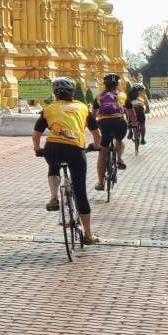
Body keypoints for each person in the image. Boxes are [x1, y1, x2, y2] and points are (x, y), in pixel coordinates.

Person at [33, 76, 102, 244]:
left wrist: (38, 149)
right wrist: (96, 146)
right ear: (73, 92)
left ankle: (53, 197)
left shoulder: (48, 109)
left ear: (55, 93)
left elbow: (36, 135)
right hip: (75, 149)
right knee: (80, 192)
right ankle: (88, 235)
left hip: (53, 148)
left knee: (53, 166)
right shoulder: (83, 107)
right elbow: (96, 134)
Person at [91, 73, 128, 190]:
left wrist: (93, 126)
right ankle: (120, 158)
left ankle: (101, 183)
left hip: (104, 124)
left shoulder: (99, 97)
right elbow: (131, 111)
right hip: (120, 122)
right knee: (119, 139)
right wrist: (133, 122)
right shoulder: (122, 95)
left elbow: (93, 115)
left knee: (103, 151)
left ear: (104, 84)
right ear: (117, 84)